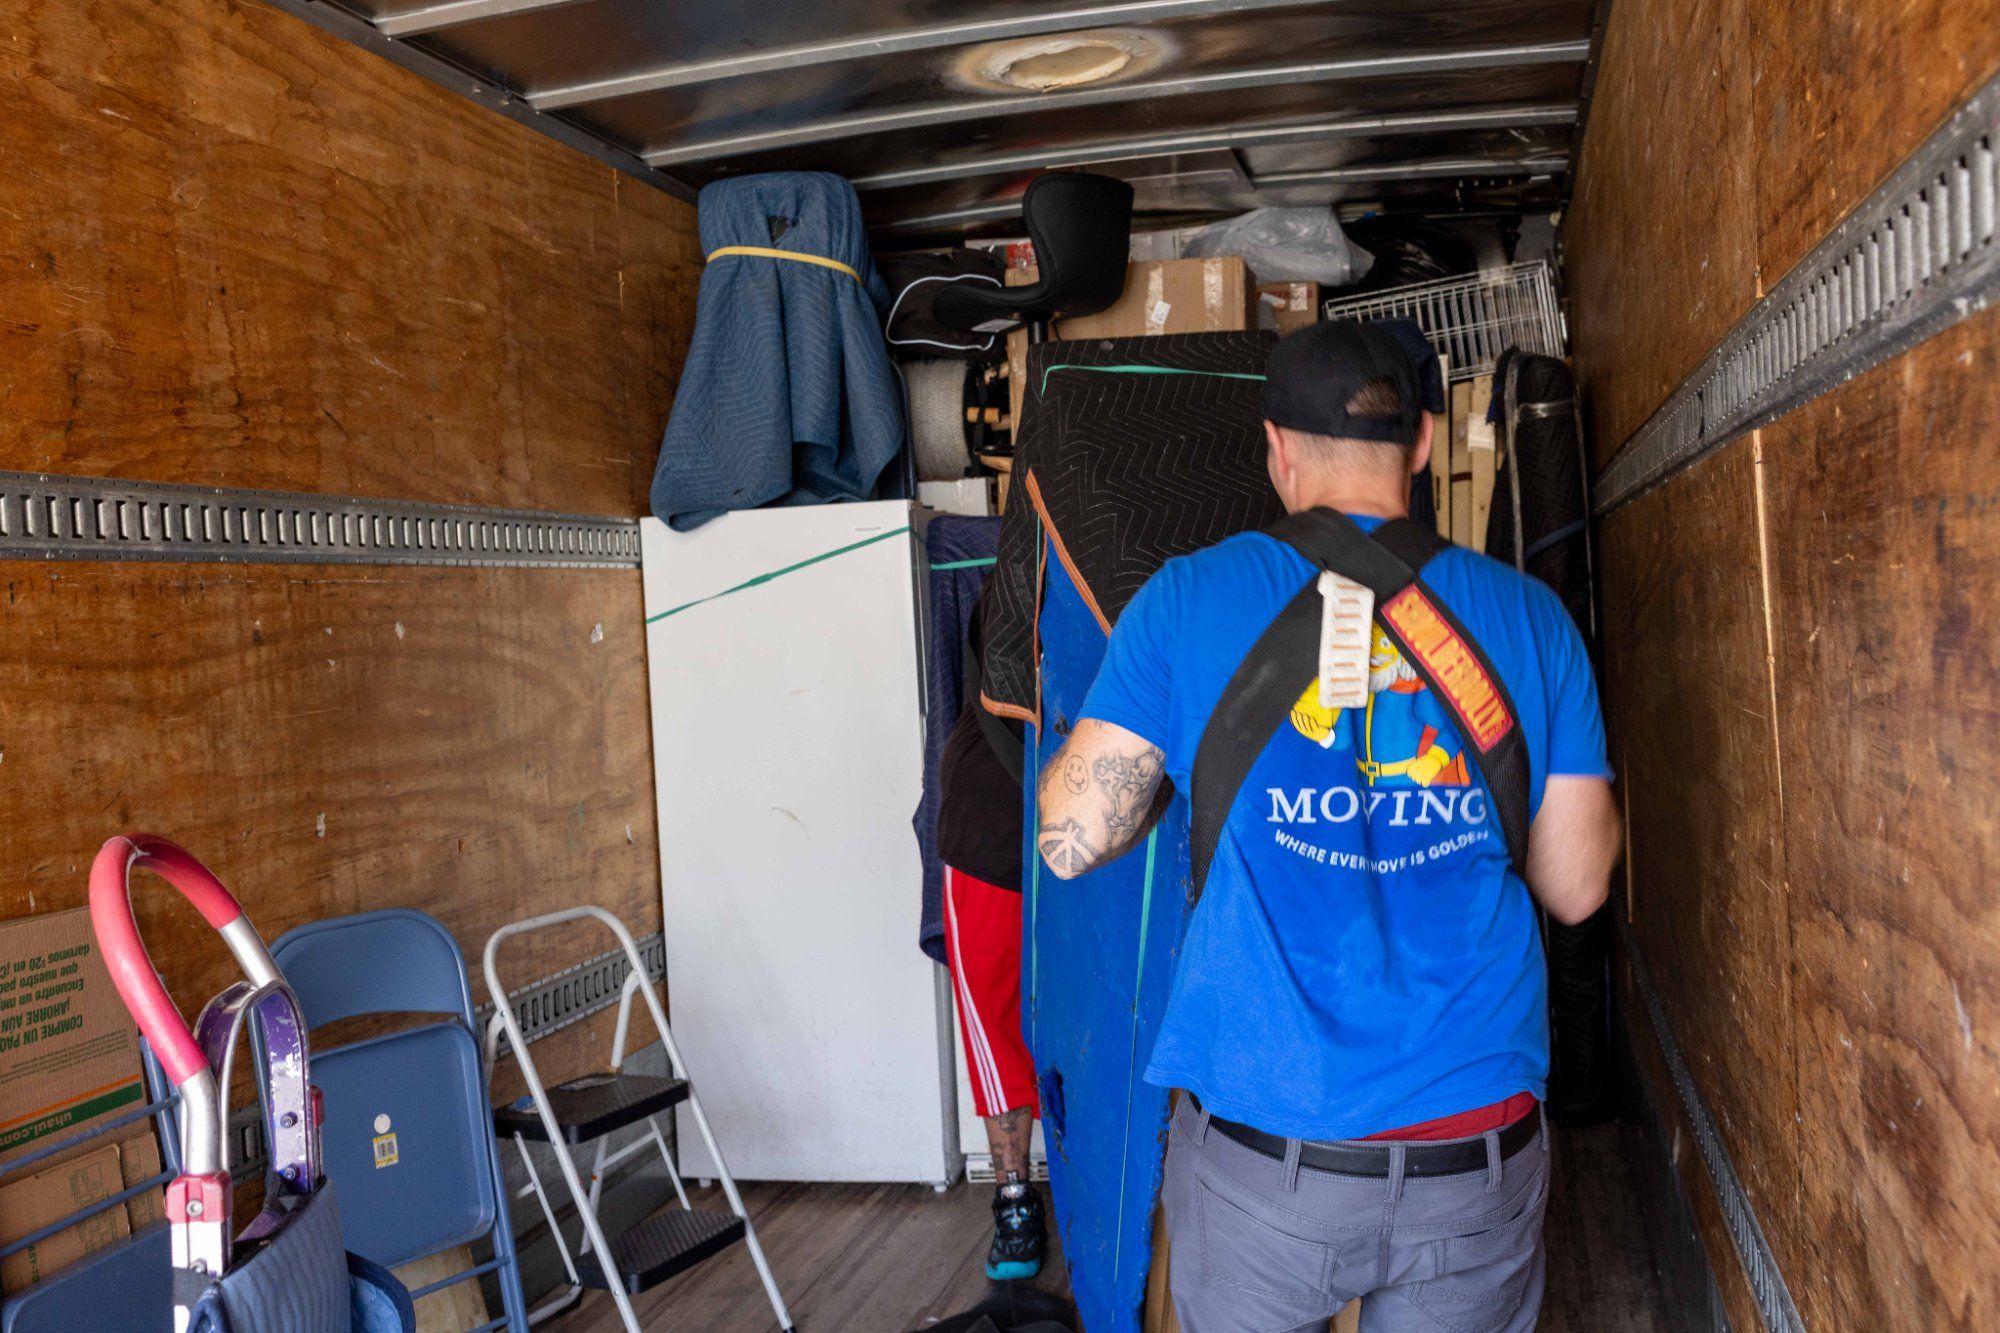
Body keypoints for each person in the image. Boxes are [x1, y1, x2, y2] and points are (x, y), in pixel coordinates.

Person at [1032, 321, 1621, 1331]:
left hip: (1266, 1163)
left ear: (1276, 447)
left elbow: (1070, 837)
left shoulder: (1184, 603)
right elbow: (1575, 885)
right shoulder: (1530, 620)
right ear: (1424, 443)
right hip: (1468, 1151)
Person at [936, 611, 1046, 1281]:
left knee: (1089, 1022)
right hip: (991, 824)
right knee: (995, 1025)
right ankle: (1013, 1198)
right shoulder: (1010, 580)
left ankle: (1103, 1187)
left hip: (1095, 827)